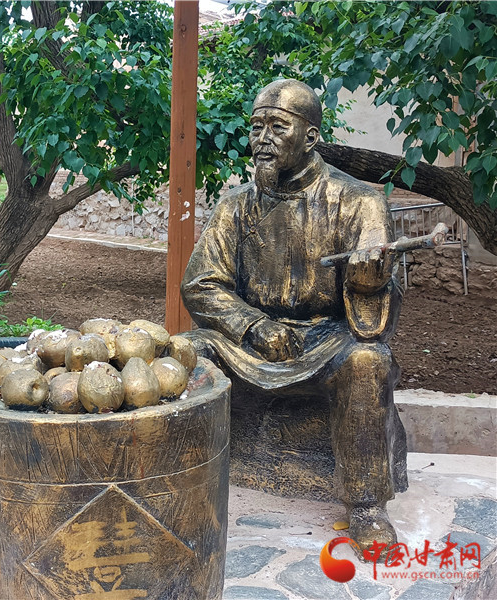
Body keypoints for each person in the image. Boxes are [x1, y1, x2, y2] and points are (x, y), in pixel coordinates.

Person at [180, 79, 407, 551]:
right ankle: (184, 477)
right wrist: (252, 325)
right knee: (183, 352)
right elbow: (201, 284)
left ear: (310, 137)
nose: (262, 139)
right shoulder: (235, 205)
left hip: (326, 339)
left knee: (367, 361)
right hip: (250, 339)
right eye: (256, 127)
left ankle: (366, 506)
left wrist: (368, 282)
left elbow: (376, 319)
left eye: (277, 127)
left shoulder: (360, 202)